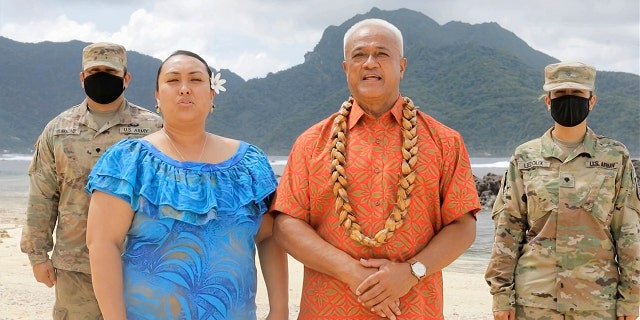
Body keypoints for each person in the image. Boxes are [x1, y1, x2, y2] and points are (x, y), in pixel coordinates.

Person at [271, 18, 481, 319]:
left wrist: (411, 272)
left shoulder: (445, 142)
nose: (370, 63)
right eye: (359, 55)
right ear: (346, 68)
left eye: (382, 54)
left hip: (415, 309)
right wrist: (350, 271)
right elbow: (286, 225)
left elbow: (463, 226)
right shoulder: (310, 143)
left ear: (402, 66)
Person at [84, 50, 289, 319]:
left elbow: (269, 236)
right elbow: (102, 244)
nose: (184, 89)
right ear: (157, 97)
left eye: (195, 80)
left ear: (212, 94)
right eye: (172, 81)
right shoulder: (128, 161)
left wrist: (280, 310)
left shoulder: (250, 163)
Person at [485, 61, 640, 320]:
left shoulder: (615, 157)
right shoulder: (525, 157)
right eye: (560, 94)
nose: (568, 99)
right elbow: (507, 229)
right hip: (534, 303)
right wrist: (501, 297)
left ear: (591, 101)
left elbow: (628, 232)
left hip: (597, 303)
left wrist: (631, 297)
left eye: (577, 94)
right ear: (548, 101)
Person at [19, 42, 162, 319]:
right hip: (75, 266)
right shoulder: (57, 130)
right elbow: (42, 196)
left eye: (109, 70)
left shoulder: (154, 129)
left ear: (126, 78)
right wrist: (37, 256)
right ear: (82, 77)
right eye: (94, 71)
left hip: (138, 264)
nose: (101, 75)